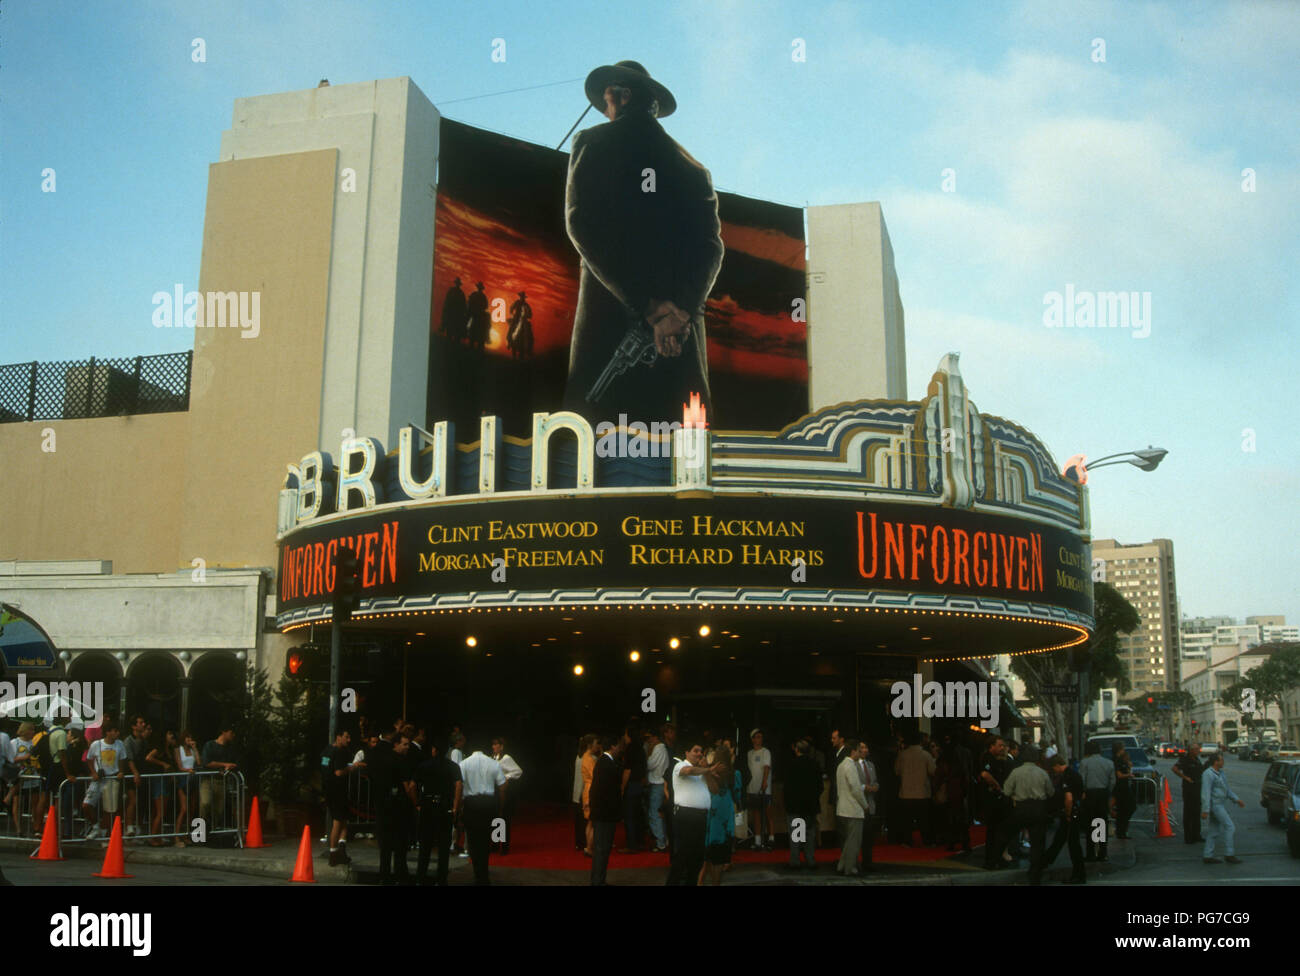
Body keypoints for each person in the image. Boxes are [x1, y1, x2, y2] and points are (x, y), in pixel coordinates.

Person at [562, 60, 724, 425]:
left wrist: (648, 306)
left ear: (623, 95)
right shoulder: (693, 169)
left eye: (607, 100)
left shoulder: (593, 142)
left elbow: (581, 224)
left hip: (607, 323)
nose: (605, 110)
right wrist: (679, 313)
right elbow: (710, 247)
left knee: (588, 443)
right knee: (687, 454)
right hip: (678, 337)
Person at [666, 738, 721, 885]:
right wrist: (708, 769)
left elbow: (715, 790)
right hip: (685, 816)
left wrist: (707, 773)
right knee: (683, 854)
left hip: (701, 817)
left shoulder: (703, 772)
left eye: (700, 752)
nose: (699, 754)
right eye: (695, 751)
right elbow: (688, 771)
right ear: (687, 752)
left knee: (697, 858)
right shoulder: (680, 765)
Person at [1002, 744, 1055, 883]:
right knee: (1038, 842)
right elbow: (1050, 792)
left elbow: (1006, 791)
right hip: (1038, 808)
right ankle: (1035, 872)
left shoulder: (1016, 772)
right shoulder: (1042, 773)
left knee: (1010, 832)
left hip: (1021, 807)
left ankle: (1006, 854)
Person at [413, 737, 462, 885]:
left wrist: (417, 803)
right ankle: (441, 880)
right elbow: (458, 786)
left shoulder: (424, 765)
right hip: (444, 806)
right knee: (443, 846)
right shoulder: (453, 767)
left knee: (425, 845)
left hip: (427, 805)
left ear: (434, 750)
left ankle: (420, 878)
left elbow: (411, 786)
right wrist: (455, 807)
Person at [460, 740, 507, 885]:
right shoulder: (493, 763)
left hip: (471, 803)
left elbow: (458, 785)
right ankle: (484, 874)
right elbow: (503, 785)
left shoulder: (464, 764)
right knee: (486, 839)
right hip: (488, 803)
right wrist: (500, 805)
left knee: (472, 840)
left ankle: (477, 872)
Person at [1042, 753, 1086, 884]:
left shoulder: (1067, 776)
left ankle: (1079, 875)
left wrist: (1067, 814)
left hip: (1071, 814)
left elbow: (1068, 798)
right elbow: (1082, 794)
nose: (1054, 772)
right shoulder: (1075, 774)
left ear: (1057, 765)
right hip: (1076, 812)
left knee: (1073, 845)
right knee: (1061, 838)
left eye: (1053, 769)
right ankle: (1046, 861)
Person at [702, 743, 742, 884]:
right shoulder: (735, 774)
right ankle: (716, 883)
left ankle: (712, 882)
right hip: (726, 813)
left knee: (711, 855)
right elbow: (737, 796)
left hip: (713, 813)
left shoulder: (710, 773)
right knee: (721, 855)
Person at [589, 734, 624, 885]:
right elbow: (605, 792)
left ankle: (599, 880)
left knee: (602, 850)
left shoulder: (604, 762)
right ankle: (597, 881)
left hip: (603, 814)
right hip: (604, 815)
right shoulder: (607, 764)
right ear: (613, 746)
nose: (620, 749)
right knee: (602, 850)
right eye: (619, 746)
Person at [323, 728, 359, 866]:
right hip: (337, 791)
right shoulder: (338, 752)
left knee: (343, 821)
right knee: (338, 822)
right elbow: (338, 772)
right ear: (338, 737)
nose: (348, 740)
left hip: (329, 791)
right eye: (346, 737)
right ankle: (333, 853)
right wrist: (351, 768)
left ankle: (341, 850)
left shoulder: (327, 750)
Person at [1200, 753, 1245, 865]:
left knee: (1214, 830)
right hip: (1215, 805)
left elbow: (1226, 789)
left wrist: (1236, 799)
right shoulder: (1208, 774)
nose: (1223, 762)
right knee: (1230, 827)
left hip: (1220, 803)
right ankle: (1229, 854)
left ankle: (1208, 855)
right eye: (1221, 760)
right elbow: (1205, 793)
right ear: (1216, 762)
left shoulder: (1220, 773)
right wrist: (1205, 809)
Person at [835, 739, 872, 875]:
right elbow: (856, 789)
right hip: (853, 810)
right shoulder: (851, 766)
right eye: (858, 750)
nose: (860, 753)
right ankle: (850, 868)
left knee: (848, 841)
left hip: (842, 808)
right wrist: (865, 805)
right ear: (853, 751)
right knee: (854, 842)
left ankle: (842, 865)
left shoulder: (840, 766)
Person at [784, 738, 823, 869]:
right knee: (810, 834)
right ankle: (810, 859)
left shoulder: (791, 764)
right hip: (810, 806)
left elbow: (787, 787)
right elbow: (820, 786)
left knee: (796, 834)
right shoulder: (815, 764)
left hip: (795, 806)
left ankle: (795, 860)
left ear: (796, 749)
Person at [84, 722, 126, 839]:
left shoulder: (120, 744)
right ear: (108, 732)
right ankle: (95, 826)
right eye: (114, 730)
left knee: (109, 809)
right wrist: (93, 772)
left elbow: (123, 758)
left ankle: (102, 830)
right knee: (86, 805)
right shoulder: (96, 744)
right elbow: (89, 759)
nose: (117, 733)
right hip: (98, 779)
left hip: (112, 778)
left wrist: (121, 771)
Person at [895, 730, 937, 846]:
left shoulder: (902, 755)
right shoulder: (925, 755)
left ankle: (907, 841)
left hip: (906, 792)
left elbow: (897, 771)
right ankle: (927, 840)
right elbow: (933, 771)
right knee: (924, 820)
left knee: (907, 820)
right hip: (922, 792)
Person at [978, 735, 1014, 870]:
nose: (1002, 748)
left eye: (1003, 746)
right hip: (992, 799)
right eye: (1000, 745)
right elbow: (985, 775)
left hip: (1001, 800)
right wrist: (999, 788)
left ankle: (998, 858)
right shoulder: (987, 758)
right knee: (993, 831)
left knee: (1001, 830)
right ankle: (990, 860)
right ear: (991, 746)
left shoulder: (1004, 760)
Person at [1078, 740, 1116, 862]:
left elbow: (1082, 779)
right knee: (1101, 822)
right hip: (1103, 794)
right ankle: (1102, 852)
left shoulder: (1085, 762)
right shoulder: (1109, 763)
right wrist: (1107, 791)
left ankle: (1091, 853)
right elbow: (1112, 781)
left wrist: (1083, 791)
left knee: (1090, 823)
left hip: (1090, 794)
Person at [200, 725, 238, 834]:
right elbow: (206, 762)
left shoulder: (230, 748)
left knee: (218, 810)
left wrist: (228, 767)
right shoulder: (210, 745)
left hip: (221, 781)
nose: (233, 735)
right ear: (224, 732)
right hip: (208, 780)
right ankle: (200, 832)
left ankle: (211, 833)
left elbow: (233, 763)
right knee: (205, 803)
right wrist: (225, 764)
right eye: (231, 732)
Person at [144, 730, 179, 846]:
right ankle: (153, 837)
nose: (171, 736)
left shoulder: (169, 750)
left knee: (161, 811)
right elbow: (148, 758)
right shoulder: (159, 749)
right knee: (160, 811)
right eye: (169, 734)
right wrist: (162, 764)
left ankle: (157, 836)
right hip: (158, 780)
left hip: (165, 780)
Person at [490, 736, 523, 854]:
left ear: (501, 746)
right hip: (495, 791)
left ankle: (504, 845)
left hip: (504, 792)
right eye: (493, 745)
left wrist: (506, 778)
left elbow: (518, 771)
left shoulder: (506, 758)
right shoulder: (493, 758)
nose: (493, 747)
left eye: (496, 745)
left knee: (503, 817)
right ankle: (495, 843)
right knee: (495, 817)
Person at [619, 721, 647, 853]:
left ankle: (632, 845)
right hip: (639, 784)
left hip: (631, 785)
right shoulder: (641, 748)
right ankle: (640, 841)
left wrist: (622, 787)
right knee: (638, 814)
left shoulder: (630, 749)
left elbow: (627, 770)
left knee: (629, 816)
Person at [744, 728, 773, 849]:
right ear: (752, 739)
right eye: (756, 737)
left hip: (764, 788)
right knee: (756, 813)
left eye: (760, 737)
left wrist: (765, 782)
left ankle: (771, 838)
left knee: (768, 812)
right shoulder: (749, 753)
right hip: (752, 788)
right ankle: (757, 840)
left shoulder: (766, 752)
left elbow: (766, 767)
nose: (758, 739)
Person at [121, 715, 148, 837]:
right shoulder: (128, 740)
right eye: (140, 722)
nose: (143, 724)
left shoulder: (143, 740)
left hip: (143, 773)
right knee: (133, 800)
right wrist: (135, 773)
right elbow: (129, 759)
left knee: (142, 801)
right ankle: (129, 825)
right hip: (131, 774)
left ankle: (139, 826)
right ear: (134, 726)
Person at [1173, 743, 1206, 844]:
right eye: (1196, 749)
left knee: (1196, 811)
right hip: (1189, 788)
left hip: (1197, 787)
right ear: (1191, 750)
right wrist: (1185, 777)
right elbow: (1174, 768)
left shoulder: (1197, 759)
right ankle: (1188, 837)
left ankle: (1196, 834)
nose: (1198, 751)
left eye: (1198, 749)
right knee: (1189, 812)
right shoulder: (1185, 759)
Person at [645, 727, 670, 852]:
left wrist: (647, 754)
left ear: (655, 737)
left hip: (657, 783)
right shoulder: (662, 748)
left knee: (655, 813)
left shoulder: (658, 748)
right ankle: (663, 840)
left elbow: (649, 764)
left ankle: (660, 842)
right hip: (660, 783)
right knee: (660, 813)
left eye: (649, 737)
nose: (648, 740)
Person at [173, 730, 199, 846]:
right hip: (183, 779)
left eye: (190, 738)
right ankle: (176, 836)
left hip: (192, 779)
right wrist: (188, 770)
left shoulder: (192, 750)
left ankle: (186, 834)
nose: (189, 740)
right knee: (184, 809)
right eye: (187, 738)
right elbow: (179, 766)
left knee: (191, 809)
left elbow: (199, 762)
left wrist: (195, 748)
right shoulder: (178, 750)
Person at [581, 733, 600, 856]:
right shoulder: (588, 758)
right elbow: (594, 776)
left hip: (589, 789)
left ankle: (589, 847)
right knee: (592, 821)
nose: (597, 746)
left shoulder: (588, 757)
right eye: (596, 744)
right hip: (591, 790)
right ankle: (589, 847)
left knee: (591, 822)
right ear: (590, 745)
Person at [1111, 746, 1136, 840]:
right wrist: (1128, 775)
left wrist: (1129, 767)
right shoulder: (1117, 761)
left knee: (1126, 809)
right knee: (1129, 807)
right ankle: (1121, 830)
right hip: (1120, 788)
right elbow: (1119, 775)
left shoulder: (1122, 761)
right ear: (1119, 750)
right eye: (1122, 749)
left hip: (1124, 787)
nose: (1124, 751)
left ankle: (1122, 830)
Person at [572, 734, 591, 851]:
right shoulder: (586, 758)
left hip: (577, 793)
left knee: (580, 821)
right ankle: (585, 843)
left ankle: (580, 843)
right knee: (586, 821)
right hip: (583, 793)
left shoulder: (578, 757)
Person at [439, 277, 468, 343]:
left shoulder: (452, 291)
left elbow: (447, 303)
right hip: (455, 315)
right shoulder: (460, 293)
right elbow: (464, 306)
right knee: (454, 335)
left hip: (452, 314)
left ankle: (443, 327)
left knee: (450, 333)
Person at [466, 282, 491, 350]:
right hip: (476, 312)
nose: (479, 289)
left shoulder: (475, 295)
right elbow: (485, 306)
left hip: (476, 313)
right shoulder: (481, 296)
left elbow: (485, 306)